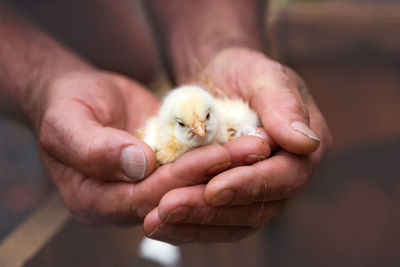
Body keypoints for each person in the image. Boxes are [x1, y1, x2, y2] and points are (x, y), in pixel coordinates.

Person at [0, 0, 332, 245]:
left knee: (130, 56)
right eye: (188, 127)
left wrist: (218, 45)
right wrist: (39, 81)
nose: (200, 132)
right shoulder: (167, 138)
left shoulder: (218, 120)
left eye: (203, 122)